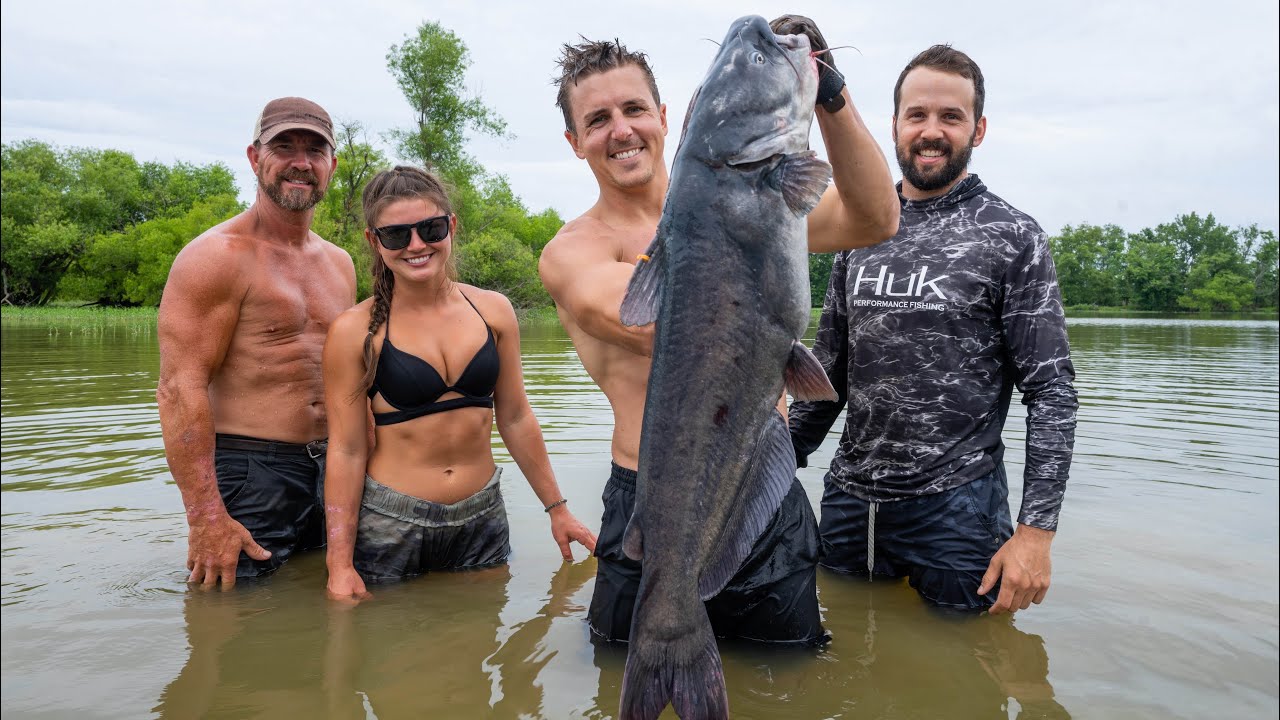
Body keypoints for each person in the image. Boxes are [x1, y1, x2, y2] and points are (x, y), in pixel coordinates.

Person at [538, 29, 899, 644]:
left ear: (664, 117)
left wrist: (826, 93)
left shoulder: (759, 203)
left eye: (633, 109)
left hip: (762, 486)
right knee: (626, 685)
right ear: (575, 143)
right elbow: (660, 325)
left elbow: (876, 217)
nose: (621, 130)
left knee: (785, 684)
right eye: (597, 120)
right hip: (652, 501)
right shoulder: (572, 252)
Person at [788, 45, 1079, 615]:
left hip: (957, 511)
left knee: (963, 678)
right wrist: (771, 469)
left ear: (979, 128)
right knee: (841, 667)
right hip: (850, 504)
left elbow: (1051, 392)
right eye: (917, 115)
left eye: (951, 117)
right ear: (894, 124)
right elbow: (829, 373)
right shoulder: (859, 228)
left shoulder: (1012, 235)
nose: (932, 131)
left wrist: (1036, 533)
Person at [322, 166, 596, 600]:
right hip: (392, 522)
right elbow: (347, 449)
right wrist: (338, 564)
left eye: (430, 228)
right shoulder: (353, 330)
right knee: (389, 654)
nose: (416, 245)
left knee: (477, 646)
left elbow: (516, 417)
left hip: (482, 517)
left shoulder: (494, 311)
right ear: (375, 242)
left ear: (450, 226)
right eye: (396, 235)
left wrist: (558, 510)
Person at [157, 97, 357, 588]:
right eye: (283, 146)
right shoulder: (215, 257)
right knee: (231, 618)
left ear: (331, 165)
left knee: (316, 611)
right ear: (254, 157)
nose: (300, 162)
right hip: (252, 470)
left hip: (333, 464)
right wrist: (205, 515)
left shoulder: (340, 263)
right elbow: (180, 389)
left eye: (315, 150)